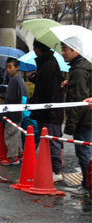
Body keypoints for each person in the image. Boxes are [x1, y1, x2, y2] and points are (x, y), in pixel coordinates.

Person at [29, 39, 65, 182]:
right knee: (48, 140)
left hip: (50, 111)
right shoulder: (47, 63)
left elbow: (49, 90)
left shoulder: (49, 65)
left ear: (38, 49)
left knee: (52, 140)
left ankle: (56, 170)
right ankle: (50, 169)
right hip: (47, 110)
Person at [61, 42, 92, 195]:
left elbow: (79, 98)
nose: (63, 53)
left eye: (66, 49)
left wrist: (71, 125)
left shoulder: (79, 70)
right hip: (87, 118)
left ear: (76, 50)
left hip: (84, 120)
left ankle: (87, 186)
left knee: (84, 153)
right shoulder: (82, 67)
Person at [0, 58, 25, 165]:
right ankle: (19, 153)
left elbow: (10, 98)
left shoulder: (14, 80)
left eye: (10, 67)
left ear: (17, 67)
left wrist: (3, 113)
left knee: (10, 135)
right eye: (7, 67)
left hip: (12, 112)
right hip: (18, 111)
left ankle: (13, 157)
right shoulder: (18, 78)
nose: (8, 70)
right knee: (16, 133)